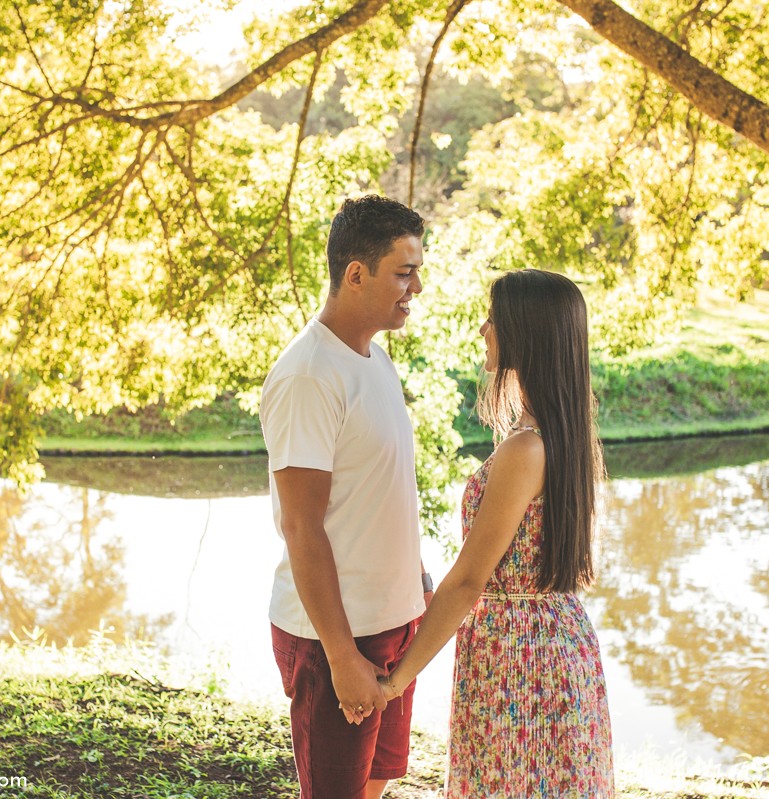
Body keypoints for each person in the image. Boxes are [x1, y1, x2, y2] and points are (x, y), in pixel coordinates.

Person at [379, 268, 615, 797]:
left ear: (525, 331)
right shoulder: (560, 434)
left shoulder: (525, 449)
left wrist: (396, 680)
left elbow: (468, 582)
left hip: (520, 656)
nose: (484, 329)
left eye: (494, 318)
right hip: (552, 640)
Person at [260, 195, 434, 799]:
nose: (415, 287)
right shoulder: (309, 376)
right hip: (336, 635)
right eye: (404, 272)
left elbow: (379, 489)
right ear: (355, 274)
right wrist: (340, 656)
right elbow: (301, 527)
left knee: (377, 782)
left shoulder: (376, 360)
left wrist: (414, 578)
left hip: (392, 622)